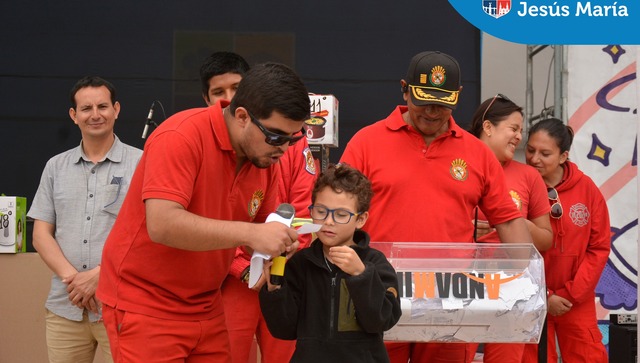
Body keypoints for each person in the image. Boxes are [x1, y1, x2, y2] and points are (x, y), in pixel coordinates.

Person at [96, 62, 311, 362]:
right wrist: (253, 234)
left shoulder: (262, 158)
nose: (284, 149)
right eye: (276, 137)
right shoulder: (180, 136)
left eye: (293, 139)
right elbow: (162, 223)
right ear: (242, 116)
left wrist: (276, 245)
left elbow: (262, 225)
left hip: (206, 304)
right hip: (147, 302)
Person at [340, 51, 533, 363]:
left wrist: (527, 278)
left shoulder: (477, 153)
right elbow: (340, 213)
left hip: (451, 298)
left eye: (442, 103)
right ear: (404, 90)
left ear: (457, 97)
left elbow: (508, 221)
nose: (432, 112)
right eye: (423, 100)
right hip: (379, 290)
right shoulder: (366, 142)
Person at [199, 51, 316, 363]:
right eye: (218, 93)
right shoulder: (209, 148)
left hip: (284, 276)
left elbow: (304, 208)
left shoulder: (292, 140)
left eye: (236, 88)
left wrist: (283, 255)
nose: (230, 98)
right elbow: (208, 221)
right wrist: (241, 268)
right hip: (234, 281)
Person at [28, 76, 143, 363]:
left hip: (122, 306)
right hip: (65, 307)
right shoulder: (56, 166)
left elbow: (149, 234)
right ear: (74, 115)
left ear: (116, 109)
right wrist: (75, 281)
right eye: (86, 108)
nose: (95, 115)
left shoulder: (142, 163)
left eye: (103, 106)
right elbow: (41, 233)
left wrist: (101, 275)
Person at [259, 163, 402, 362]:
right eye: (320, 211)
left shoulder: (374, 262)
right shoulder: (301, 263)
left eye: (341, 215)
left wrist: (361, 275)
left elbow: (383, 319)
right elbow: (283, 329)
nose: (328, 221)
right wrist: (274, 288)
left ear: (360, 219)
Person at [468, 94, 553, 362]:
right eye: (513, 129)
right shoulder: (458, 166)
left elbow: (546, 240)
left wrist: (512, 223)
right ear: (488, 127)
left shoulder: (528, 176)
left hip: (511, 285)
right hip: (462, 281)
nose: (519, 137)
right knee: (454, 353)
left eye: (521, 131)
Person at [522, 118, 610, 363]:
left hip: (575, 300)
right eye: (530, 150)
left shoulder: (587, 190)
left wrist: (570, 294)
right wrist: (545, 295)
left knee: (588, 356)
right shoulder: (518, 187)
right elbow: (511, 249)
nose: (534, 158)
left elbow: (599, 248)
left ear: (563, 156)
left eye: (545, 153)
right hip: (532, 298)